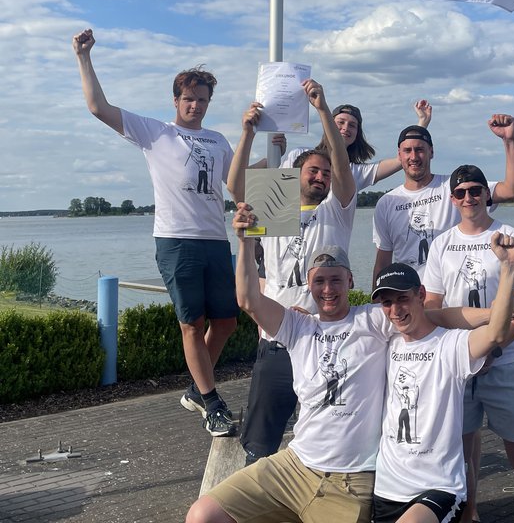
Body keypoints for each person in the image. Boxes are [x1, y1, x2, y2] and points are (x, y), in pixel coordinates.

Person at [187, 206, 490, 523]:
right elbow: (249, 299)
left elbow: (434, 316)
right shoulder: (297, 325)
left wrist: (491, 316)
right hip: (294, 466)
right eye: (319, 281)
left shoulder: (374, 320)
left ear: (350, 281)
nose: (328, 289)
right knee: (202, 515)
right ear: (309, 284)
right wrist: (245, 241)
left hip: (350, 482)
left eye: (336, 280)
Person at [73, 28, 243, 436]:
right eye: (189, 99)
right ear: (176, 100)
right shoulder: (155, 132)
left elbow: (238, 184)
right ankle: (212, 402)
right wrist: (83, 57)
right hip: (176, 240)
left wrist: (273, 150)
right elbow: (98, 107)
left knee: (226, 322)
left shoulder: (218, 140)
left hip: (216, 240)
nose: (196, 105)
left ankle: (195, 390)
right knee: (191, 323)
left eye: (202, 100)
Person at [228, 79, 359, 463]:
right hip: (278, 337)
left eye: (325, 173)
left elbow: (341, 164)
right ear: (295, 174)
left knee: (324, 433)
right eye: (312, 171)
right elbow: (235, 186)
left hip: (326, 336)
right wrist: (248, 133)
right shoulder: (276, 204)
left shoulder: (337, 209)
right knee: (261, 436)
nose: (320, 177)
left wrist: (322, 109)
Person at [424, 164, 514, 523]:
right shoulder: (442, 244)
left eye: (476, 190)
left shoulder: (510, 235)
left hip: (506, 362)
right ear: (452, 199)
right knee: (461, 456)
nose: (469, 198)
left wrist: (494, 347)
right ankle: (469, 514)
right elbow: (432, 308)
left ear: (486, 195)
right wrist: (474, 341)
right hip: (458, 364)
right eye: (461, 192)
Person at [370, 234, 514, 523]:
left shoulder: (451, 345)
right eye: (387, 303)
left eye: (403, 299)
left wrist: (508, 268)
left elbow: (496, 333)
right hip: (388, 487)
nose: (395, 310)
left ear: (421, 295)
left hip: (437, 487)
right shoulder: (386, 339)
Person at [372, 115, 514, 283]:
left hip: (452, 295)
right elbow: (383, 262)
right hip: (411, 297)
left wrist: (509, 141)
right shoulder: (386, 203)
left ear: (431, 152)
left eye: (420, 149)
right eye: (407, 151)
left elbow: (512, 190)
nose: (414, 157)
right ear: (399, 156)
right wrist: (378, 305)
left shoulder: (455, 187)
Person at [279, 101, 432, 190]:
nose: (346, 128)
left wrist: (422, 123)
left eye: (352, 125)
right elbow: (278, 188)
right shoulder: (298, 155)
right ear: (328, 125)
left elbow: (403, 159)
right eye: (340, 123)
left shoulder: (356, 172)